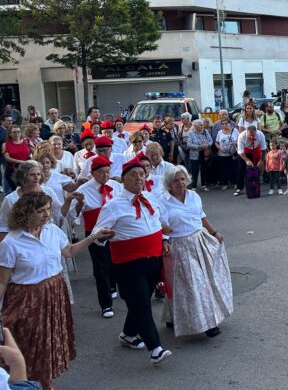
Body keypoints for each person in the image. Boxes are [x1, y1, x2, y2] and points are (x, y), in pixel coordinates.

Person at [0, 192, 114, 390]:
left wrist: (94, 237)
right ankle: (25, 382)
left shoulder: (52, 230)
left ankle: (45, 381)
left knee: (49, 343)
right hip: (27, 299)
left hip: (55, 292)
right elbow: (2, 282)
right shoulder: (11, 242)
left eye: (48, 209)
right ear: (26, 213)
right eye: (40, 211)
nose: (46, 214)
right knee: (28, 343)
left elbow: (69, 251)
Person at [92, 157, 173, 365]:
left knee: (141, 301)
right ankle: (155, 348)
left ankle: (128, 334)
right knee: (141, 304)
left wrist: (164, 240)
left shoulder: (151, 198)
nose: (138, 178)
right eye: (133, 175)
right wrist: (103, 235)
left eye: (141, 174)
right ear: (123, 180)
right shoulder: (113, 205)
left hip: (154, 259)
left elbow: (159, 223)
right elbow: (96, 234)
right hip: (128, 263)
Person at [159, 166, 232, 337]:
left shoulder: (194, 196)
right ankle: (208, 324)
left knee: (203, 282)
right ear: (169, 183)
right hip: (178, 245)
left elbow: (202, 217)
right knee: (190, 285)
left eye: (183, 179)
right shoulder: (163, 201)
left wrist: (215, 232)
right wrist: (164, 240)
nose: (180, 183)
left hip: (200, 240)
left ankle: (174, 317)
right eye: (176, 180)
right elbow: (160, 226)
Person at [74, 155, 121, 318]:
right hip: (95, 232)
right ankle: (106, 304)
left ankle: (113, 285)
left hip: (116, 229)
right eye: (101, 172)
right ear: (93, 173)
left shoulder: (116, 186)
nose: (105, 176)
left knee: (115, 261)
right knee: (101, 268)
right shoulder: (83, 189)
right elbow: (75, 216)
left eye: (107, 172)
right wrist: (79, 204)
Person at [0, 161, 64, 240]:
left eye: (38, 174)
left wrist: (68, 200)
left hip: (46, 236)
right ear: (23, 176)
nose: (36, 177)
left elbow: (59, 211)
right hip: (22, 239)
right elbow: (3, 226)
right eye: (32, 175)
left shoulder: (48, 191)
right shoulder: (11, 199)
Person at [234, 125, 266, 197]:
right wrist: (247, 160)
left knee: (255, 168)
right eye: (250, 136)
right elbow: (240, 151)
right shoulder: (241, 136)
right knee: (241, 168)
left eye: (253, 135)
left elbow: (263, 149)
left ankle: (255, 186)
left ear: (256, 132)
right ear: (246, 132)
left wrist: (261, 160)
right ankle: (239, 188)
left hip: (255, 150)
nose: (251, 137)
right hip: (245, 152)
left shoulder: (260, 135)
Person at [2, 127, 30, 195]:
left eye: (18, 131)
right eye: (14, 132)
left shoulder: (26, 141)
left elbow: (34, 152)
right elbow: (7, 158)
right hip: (13, 171)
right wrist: (20, 161)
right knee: (16, 191)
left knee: (27, 189)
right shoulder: (5, 144)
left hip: (27, 169)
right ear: (10, 134)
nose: (17, 134)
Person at [187, 120, 212, 192]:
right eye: (200, 125)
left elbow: (210, 140)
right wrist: (199, 146)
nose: (202, 126)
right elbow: (189, 144)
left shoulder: (206, 132)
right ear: (195, 126)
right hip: (195, 155)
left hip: (204, 153)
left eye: (202, 124)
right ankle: (194, 186)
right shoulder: (191, 133)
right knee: (195, 171)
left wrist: (207, 145)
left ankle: (203, 185)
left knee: (204, 170)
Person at [214, 119, 239, 192]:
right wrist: (220, 148)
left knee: (234, 168)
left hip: (232, 153)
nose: (224, 125)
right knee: (223, 169)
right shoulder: (219, 132)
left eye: (226, 123)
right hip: (222, 154)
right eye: (223, 124)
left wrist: (235, 143)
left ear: (230, 124)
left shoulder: (235, 131)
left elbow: (239, 140)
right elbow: (216, 142)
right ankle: (225, 184)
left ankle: (235, 183)